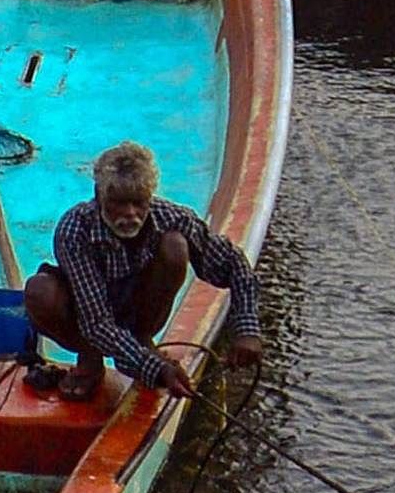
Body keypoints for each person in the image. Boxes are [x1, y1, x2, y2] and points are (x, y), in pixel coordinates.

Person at [21, 140, 261, 403]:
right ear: (99, 196)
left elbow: (234, 264)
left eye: (138, 203)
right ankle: (90, 358)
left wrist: (246, 330)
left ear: (150, 198)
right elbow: (96, 322)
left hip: (140, 305)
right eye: (118, 203)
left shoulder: (173, 217)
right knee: (40, 291)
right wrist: (155, 368)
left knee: (175, 246)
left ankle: (142, 339)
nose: (130, 213)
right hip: (88, 313)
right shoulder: (75, 229)